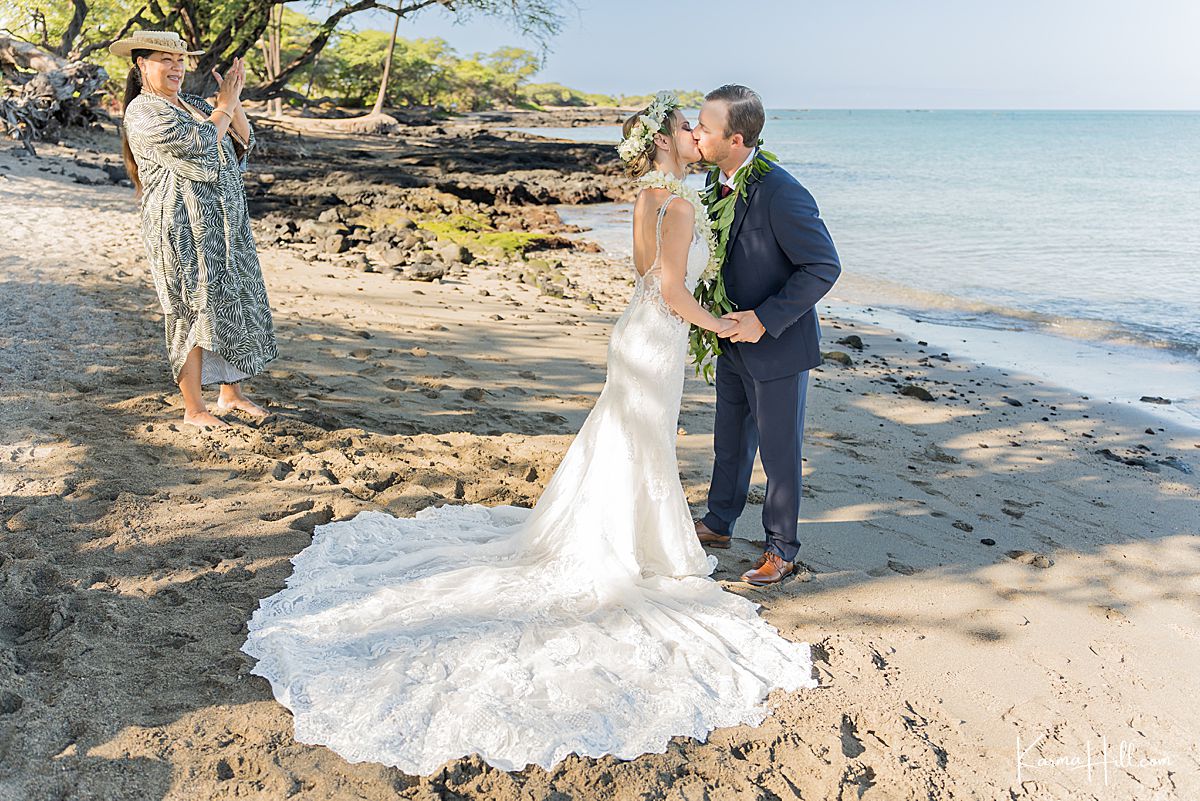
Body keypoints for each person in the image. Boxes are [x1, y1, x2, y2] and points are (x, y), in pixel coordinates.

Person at [242, 91, 816, 774]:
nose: (696, 133)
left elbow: (648, 273)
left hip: (647, 335)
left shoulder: (657, 194)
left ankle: (706, 533)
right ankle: (658, 536)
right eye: (688, 127)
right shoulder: (685, 202)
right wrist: (719, 322)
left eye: (703, 127)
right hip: (664, 334)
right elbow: (667, 286)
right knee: (644, 441)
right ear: (668, 142)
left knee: (638, 440)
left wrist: (723, 310)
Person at [693, 85, 842, 586]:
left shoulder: (783, 192)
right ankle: (718, 522)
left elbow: (823, 266)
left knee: (779, 455)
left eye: (705, 128)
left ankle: (781, 550)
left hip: (777, 346)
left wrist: (764, 318)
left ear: (735, 139)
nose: (696, 134)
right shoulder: (713, 185)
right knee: (729, 442)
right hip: (729, 341)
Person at [112, 30, 277, 429]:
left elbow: (240, 142)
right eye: (164, 59)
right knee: (189, 307)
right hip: (180, 226)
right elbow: (201, 142)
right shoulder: (143, 111)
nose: (176, 67)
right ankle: (194, 409)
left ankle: (231, 393)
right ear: (141, 64)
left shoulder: (194, 103)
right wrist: (223, 106)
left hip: (223, 223)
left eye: (180, 59)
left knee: (230, 302)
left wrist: (232, 102)